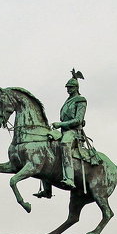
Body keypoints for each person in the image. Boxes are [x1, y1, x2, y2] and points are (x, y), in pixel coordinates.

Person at [38, 69, 91, 198]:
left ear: (76, 87)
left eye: (70, 87)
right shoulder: (67, 101)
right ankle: (47, 189)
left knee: (64, 144)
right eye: (67, 87)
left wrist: (60, 124)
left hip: (74, 133)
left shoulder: (81, 100)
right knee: (47, 145)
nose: (68, 90)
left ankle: (69, 178)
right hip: (64, 131)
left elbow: (78, 120)